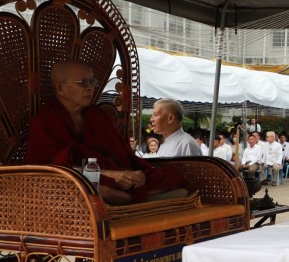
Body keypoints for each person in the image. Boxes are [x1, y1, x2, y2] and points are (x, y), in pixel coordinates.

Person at [25, 59, 184, 204]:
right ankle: (133, 199)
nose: (90, 88)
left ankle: (130, 196)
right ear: (61, 88)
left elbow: (120, 155)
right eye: (83, 83)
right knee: (95, 189)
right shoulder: (44, 121)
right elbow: (49, 171)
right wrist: (108, 175)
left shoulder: (96, 115)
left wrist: (134, 174)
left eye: (92, 82)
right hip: (75, 181)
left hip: (116, 177)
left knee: (172, 175)